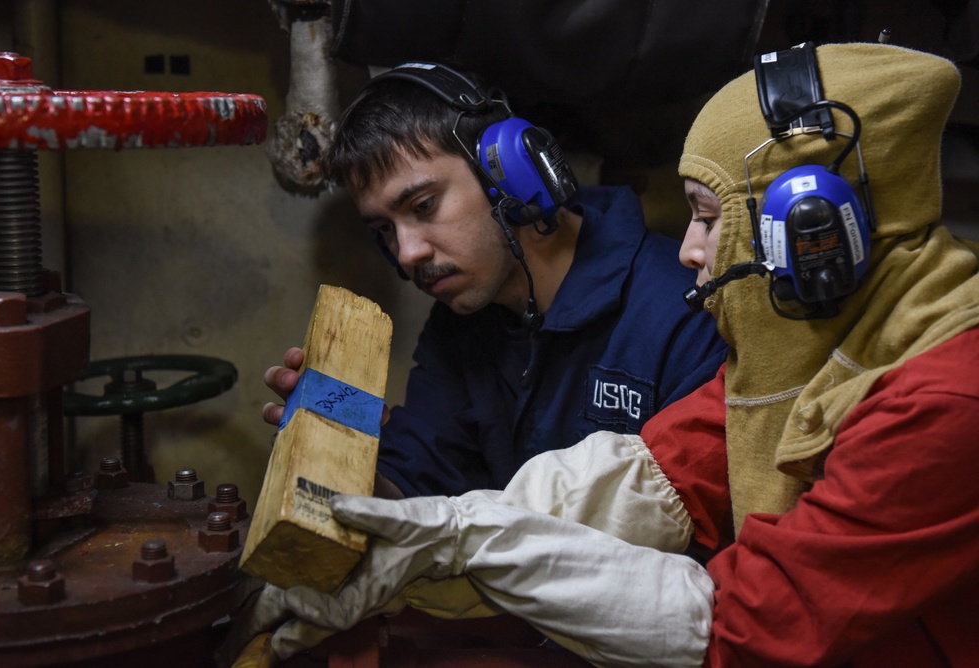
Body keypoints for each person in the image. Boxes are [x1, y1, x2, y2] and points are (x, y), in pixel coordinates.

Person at [226, 41, 979, 667]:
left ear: (814, 230)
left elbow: (742, 624)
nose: (689, 251)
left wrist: (474, 544)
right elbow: (655, 477)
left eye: (710, 218)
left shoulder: (945, 402)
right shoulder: (800, 366)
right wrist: (427, 533)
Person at [263, 61, 727, 498]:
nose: (407, 254)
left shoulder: (685, 312)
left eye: (424, 205)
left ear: (508, 176)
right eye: (385, 229)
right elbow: (414, 491)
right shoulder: (461, 323)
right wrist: (342, 451)